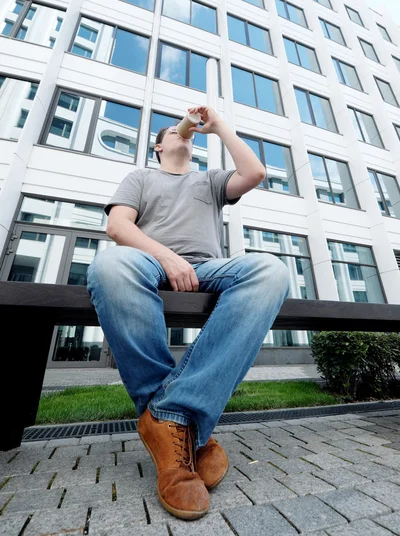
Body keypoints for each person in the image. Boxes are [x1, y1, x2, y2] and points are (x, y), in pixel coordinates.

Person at [86, 106, 290, 521]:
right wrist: (167, 257)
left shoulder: (209, 180)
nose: (182, 135)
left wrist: (220, 129)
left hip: (208, 267)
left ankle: (166, 416)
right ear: (159, 145)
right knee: (109, 265)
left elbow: (253, 174)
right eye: (171, 134)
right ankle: (189, 427)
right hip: (150, 261)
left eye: (189, 135)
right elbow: (118, 227)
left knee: (271, 270)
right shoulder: (141, 177)